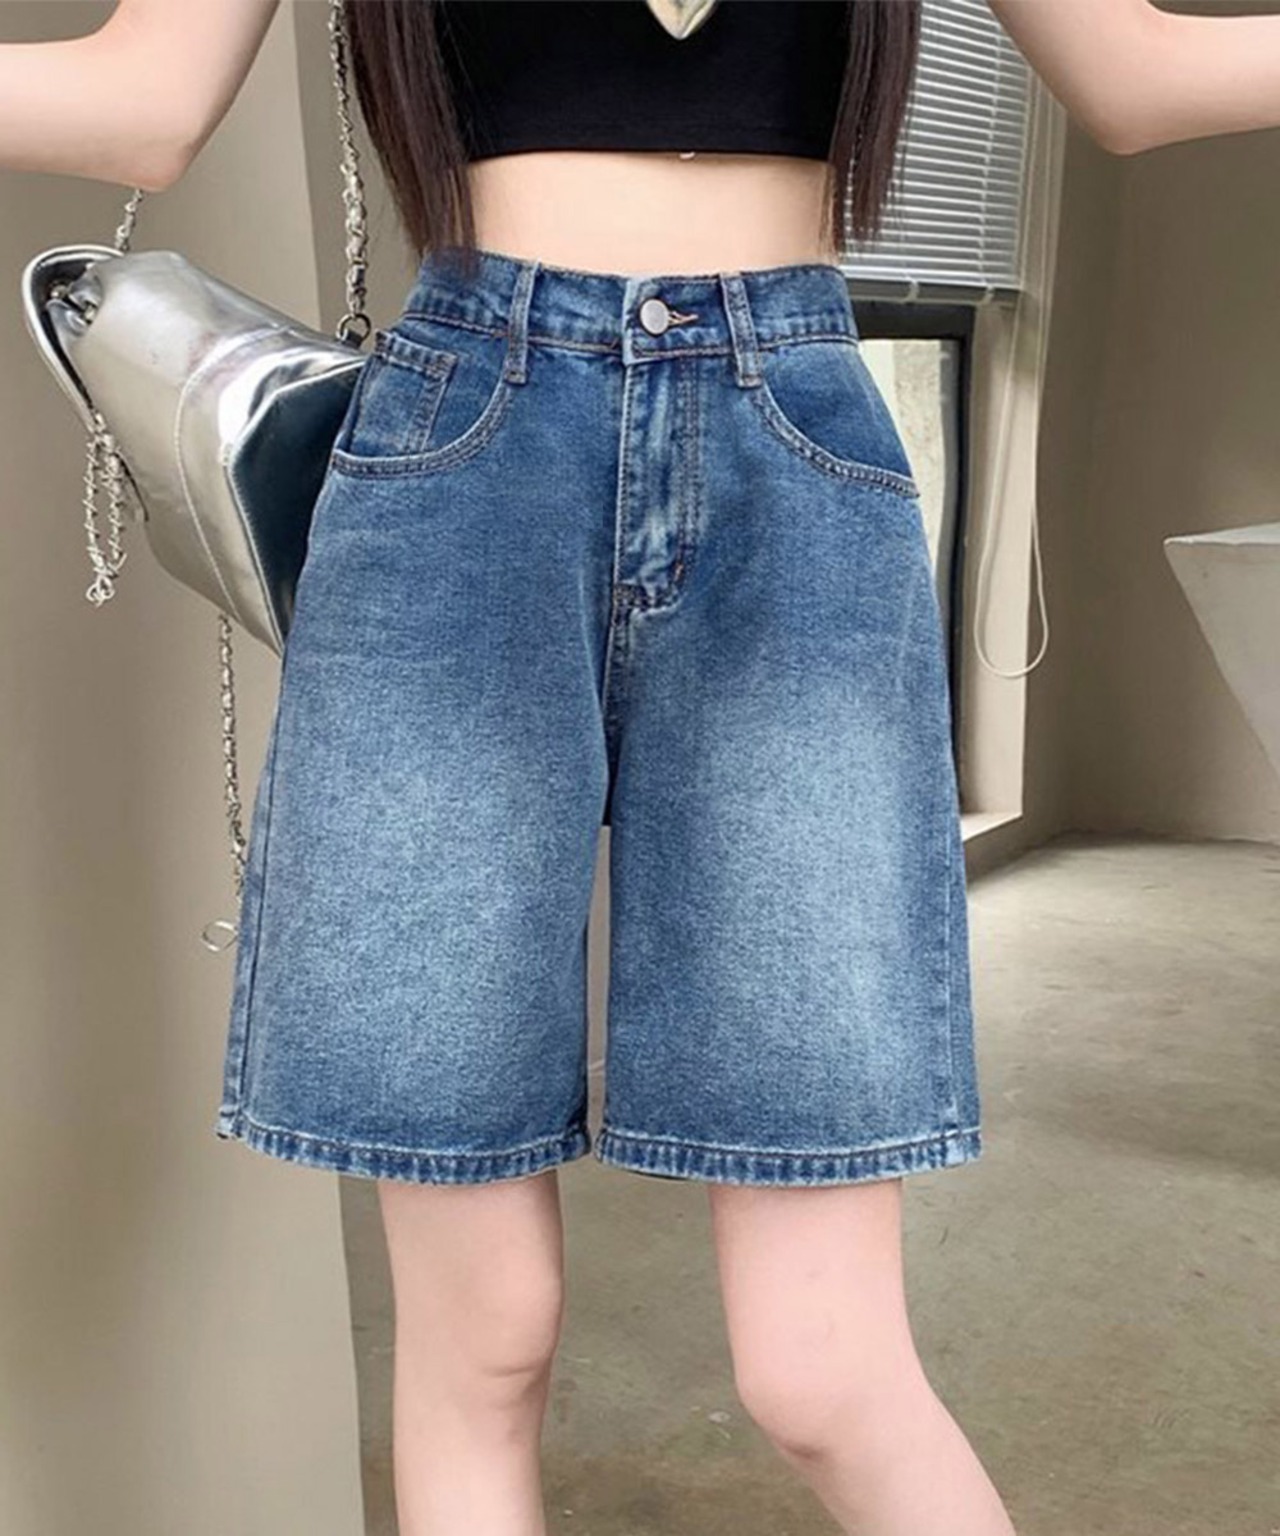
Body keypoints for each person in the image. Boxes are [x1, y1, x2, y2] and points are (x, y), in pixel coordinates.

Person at [5, 4, 1278, 1534]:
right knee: (484, 1338)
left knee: (823, 1369)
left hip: (790, 447)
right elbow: (142, 103)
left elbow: (1138, 76)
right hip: (467, 455)